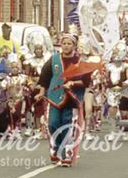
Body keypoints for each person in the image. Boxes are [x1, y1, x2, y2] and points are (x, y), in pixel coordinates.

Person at [37, 34, 91, 166]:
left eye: (69, 44)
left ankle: (66, 152)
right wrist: (41, 92)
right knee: (53, 123)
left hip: (72, 98)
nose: (66, 46)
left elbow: (86, 80)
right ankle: (55, 148)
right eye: (64, 43)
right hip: (55, 96)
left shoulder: (79, 62)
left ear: (74, 46)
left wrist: (73, 83)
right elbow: (45, 76)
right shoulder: (54, 60)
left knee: (67, 124)